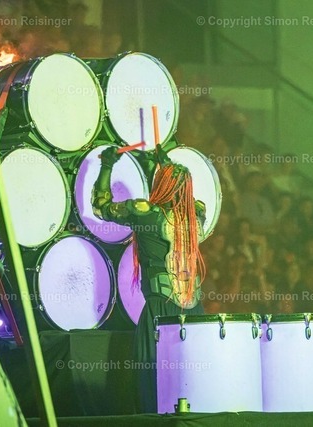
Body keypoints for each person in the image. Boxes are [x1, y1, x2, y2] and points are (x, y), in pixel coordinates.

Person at [92, 145, 206, 413]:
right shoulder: (196, 217)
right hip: (195, 312)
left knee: (154, 382)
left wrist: (107, 164)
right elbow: (184, 197)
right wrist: (165, 166)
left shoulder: (145, 213)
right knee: (193, 380)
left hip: (160, 311)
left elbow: (100, 207)